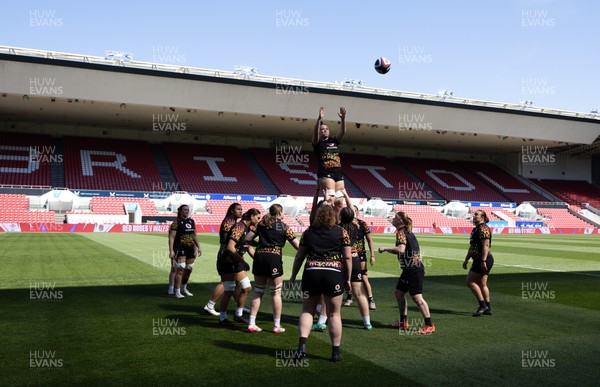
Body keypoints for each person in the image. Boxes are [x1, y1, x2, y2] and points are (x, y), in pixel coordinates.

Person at [289, 204, 352, 362]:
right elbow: (348, 258)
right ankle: (335, 352)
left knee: (307, 310)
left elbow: (299, 257)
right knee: (334, 314)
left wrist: (293, 276)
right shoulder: (342, 232)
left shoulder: (308, 232)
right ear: (333, 216)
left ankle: (302, 346)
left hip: (311, 272)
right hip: (334, 274)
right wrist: (348, 279)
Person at [245, 204, 299, 333]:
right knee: (276, 293)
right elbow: (297, 245)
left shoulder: (261, 224)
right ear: (279, 213)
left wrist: (259, 244)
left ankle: (251, 323)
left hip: (259, 257)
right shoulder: (283, 226)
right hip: (274, 258)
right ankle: (276, 326)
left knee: (258, 291)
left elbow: (247, 239)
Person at [378, 212, 435, 334]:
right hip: (410, 268)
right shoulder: (408, 232)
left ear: (400, 220)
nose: (392, 219)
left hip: (412, 269)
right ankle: (403, 322)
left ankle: (429, 325)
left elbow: (401, 249)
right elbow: (416, 250)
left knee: (417, 297)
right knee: (399, 293)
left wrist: (384, 248)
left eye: (394, 217)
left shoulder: (401, 233)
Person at [217, 208, 261, 327]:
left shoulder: (247, 228)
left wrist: (258, 260)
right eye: (258, 217)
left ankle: (238, 315)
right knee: (229, 290)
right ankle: (222, 319)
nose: (259, 220)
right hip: (226, 260)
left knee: (246, 287)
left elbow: (249, 247)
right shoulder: (239, 227)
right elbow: (230, 247)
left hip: (236, 261)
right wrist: (243, 262)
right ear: (251, 216)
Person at [203, 203, 243, 316]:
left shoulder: (232, 221)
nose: (241, 211)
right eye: (238, 209)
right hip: (226, 255)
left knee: (235, 282)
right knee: (226, 282)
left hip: (229, 254)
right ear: (232, 211)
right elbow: (225, 240)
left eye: (241, 209)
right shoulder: (229, 221)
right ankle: (209, 305)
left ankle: (239, 306)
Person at [339, 207, 372, 330]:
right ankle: (367, 322)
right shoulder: (356, 227)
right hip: (355, 258)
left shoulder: (338, 228)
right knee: (359, 292)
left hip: (342, 259)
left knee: (335, 292)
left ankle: (325, 319)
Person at [344, 205, 376, 310]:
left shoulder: (363, 224)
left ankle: (371, 299)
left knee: (364, 277)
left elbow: (369, 240)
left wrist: (372, 255)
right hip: (348, 254)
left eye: (355, 210)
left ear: (357, 212)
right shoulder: (345, 224)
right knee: (347, 276)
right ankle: (349, 297)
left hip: (360, 254)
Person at [312, 106, 346, 204]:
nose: (325, 130)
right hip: (325, 173)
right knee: (330, 199)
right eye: (322, 129)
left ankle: (337, 220)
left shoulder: (334, 141)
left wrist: (343, 119)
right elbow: (315, 134)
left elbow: (343, 132)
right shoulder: (317, 142)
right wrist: (319, 119)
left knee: (339, 202)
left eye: (327, 129)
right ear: (319, 132)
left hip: (338, 173)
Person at [463, 210, 494, 316]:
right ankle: (488, 308)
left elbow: (486, 245)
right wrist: (467, 259)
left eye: (477, 215)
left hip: (482, 259)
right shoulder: (476, 229)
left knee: (470, 282)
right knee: (482, 284)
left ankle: (482, 305)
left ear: (482, 218)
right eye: (474, 214)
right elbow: (472, 247)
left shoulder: (483, 228)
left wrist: (483, 261)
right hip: (483, 259)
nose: (474, 216)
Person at [168, 205, 201, 299]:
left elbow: (194, 236)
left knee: (189, 268)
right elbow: (172, 237)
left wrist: (198, 247)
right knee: (180, 269)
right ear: (180, 211)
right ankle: (177, 291)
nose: (186, 211)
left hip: (190, 248)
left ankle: (184, 288)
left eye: (187, 210)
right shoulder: (176, 223)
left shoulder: (191, 221)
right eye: (184, 210)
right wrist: (171, 251)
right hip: (180, 247)